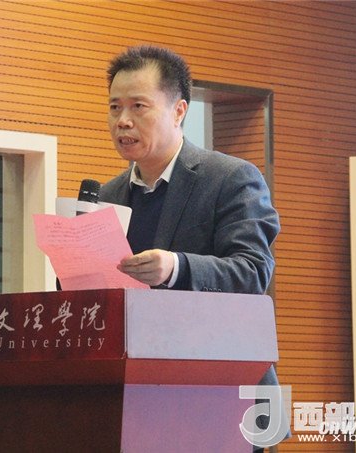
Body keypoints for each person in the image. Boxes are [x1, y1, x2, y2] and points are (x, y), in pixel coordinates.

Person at [100, 45, 288, 451]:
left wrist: (177, 268)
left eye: (138, 106)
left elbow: (253, 272)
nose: (123, 120)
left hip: (220, 396)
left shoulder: (230, 178)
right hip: (135, 398)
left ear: (179, 111)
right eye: (115, 108)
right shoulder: (108, 195)